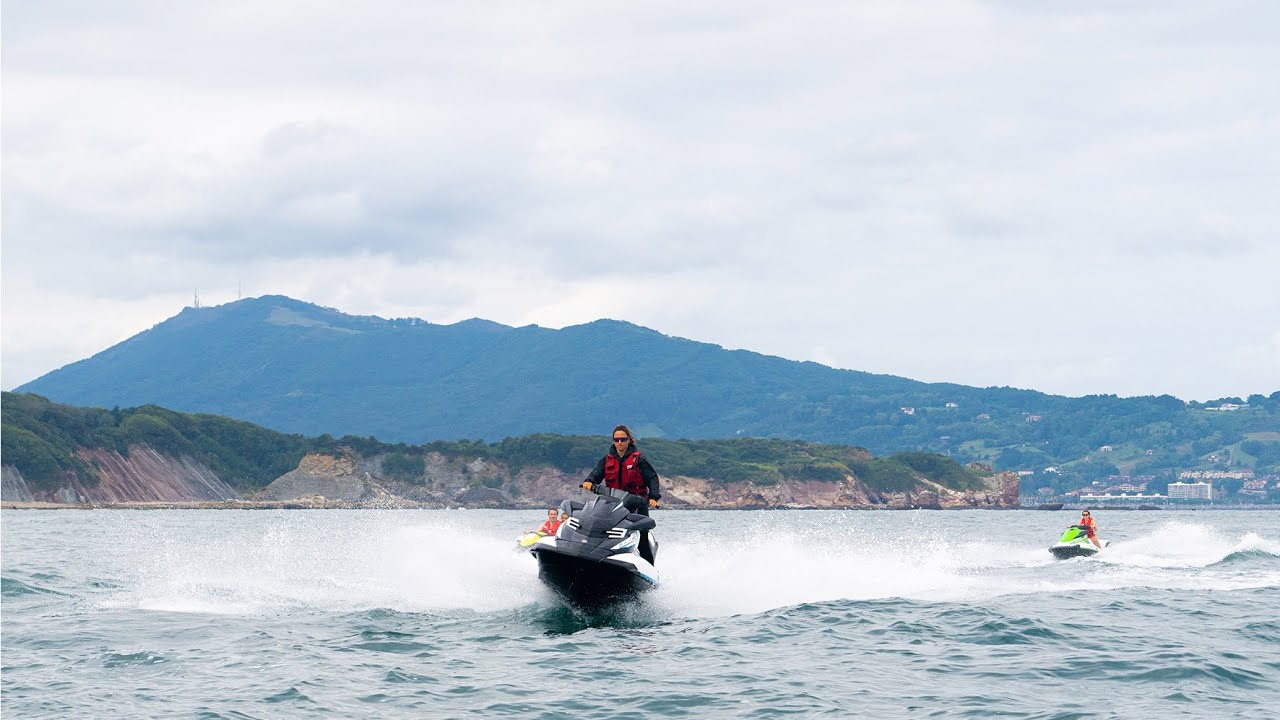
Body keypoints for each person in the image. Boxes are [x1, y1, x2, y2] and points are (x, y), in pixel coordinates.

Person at [582, 424, 661, 563]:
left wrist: (653, 497)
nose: (619, 443)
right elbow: (596, 474)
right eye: (616, 439)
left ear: (630, 440)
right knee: (600, 528)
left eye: (623, 439)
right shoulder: (607, 459)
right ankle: (594, 556)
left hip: (636, 503)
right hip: (612, 504)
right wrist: (589, 481)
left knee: (642, 534)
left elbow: (652, 478)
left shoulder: (638, 459)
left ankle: (649, 567)